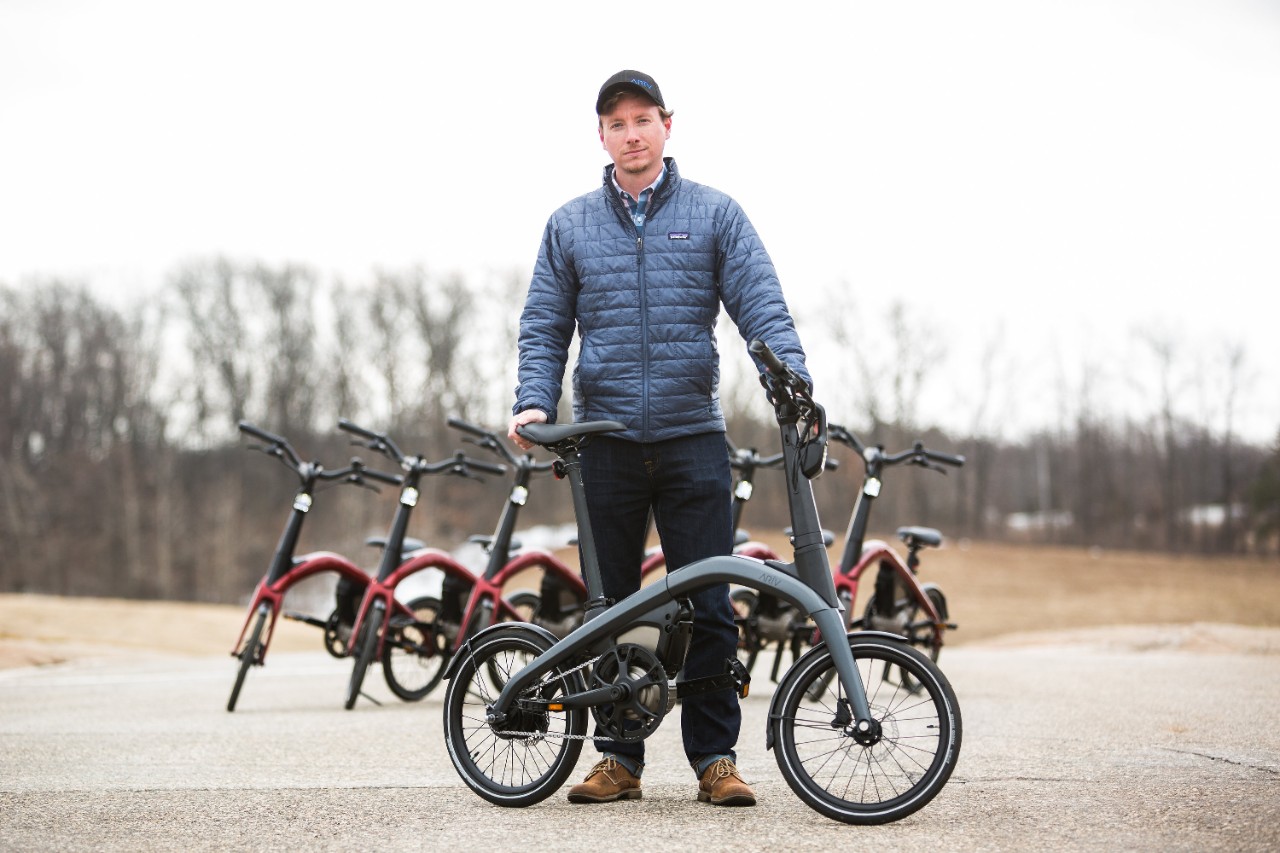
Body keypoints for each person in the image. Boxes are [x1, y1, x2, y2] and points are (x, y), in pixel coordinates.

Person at [507, 69, 811, 807]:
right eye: (617, 123)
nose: (632, 133)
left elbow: (760, 305)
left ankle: (716, 758)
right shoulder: (570, 224)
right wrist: (531, 402)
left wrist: (792, 382)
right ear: (601, 136)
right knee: (608, 606)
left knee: (710, 603)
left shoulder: (714, 215)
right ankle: (618, 759)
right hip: (603, 443)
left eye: (644, 119)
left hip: (690, 438)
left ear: (667, 126)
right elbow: (545, 325)